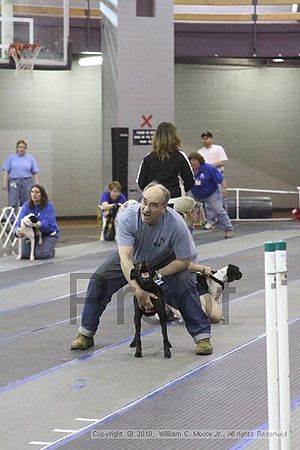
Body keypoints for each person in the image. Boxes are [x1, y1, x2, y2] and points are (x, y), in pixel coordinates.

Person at [71, 182, 212, 355]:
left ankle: (202, 336)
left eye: (153, 205)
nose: (146, 209)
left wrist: (158, 275)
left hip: (164, 260)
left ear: (164, 208)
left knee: (183, 283)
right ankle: (86, 333)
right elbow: (125, 258)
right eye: (144, 202)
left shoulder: (176, 225)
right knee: (99, 279)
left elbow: (183, 261)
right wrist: (137, 289)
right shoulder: (129, 217)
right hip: (133, 258)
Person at [136, 122, 194, 199]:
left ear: (156, 137)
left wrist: (152, 193)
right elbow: (190, 181)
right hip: (175, 199)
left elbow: (141, 183)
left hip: (154, 200)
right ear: (174, 137)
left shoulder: (148, 158)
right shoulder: (180, 156)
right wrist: (180, 191)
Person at [188, 152, 233, 238]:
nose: (192, 163)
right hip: (195, 193)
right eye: (190, 161)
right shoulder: (188, 170)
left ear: (199, 161)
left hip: (211, 193)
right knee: (188, 211)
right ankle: (188, 231)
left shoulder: (209, 168)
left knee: (218, 210)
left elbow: (220, 179)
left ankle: (228, 228)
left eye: (194, 160)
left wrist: (224, 189)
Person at [15, 184, 59, 259]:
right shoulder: (26, 205)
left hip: (48, 234)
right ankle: (37, 247)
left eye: (37, 192)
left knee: (41, 255)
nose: (34, 194)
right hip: (32, 234)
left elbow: (47, 225)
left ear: (42, 194)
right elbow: (20, 220)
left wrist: (37, 224)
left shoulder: (49, 206)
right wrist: (17, 231)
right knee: (25, 254)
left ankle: (50, 251)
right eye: (32, 192)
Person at [198, 131, 228, 218]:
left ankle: (224, 218)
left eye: (207, 138)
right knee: (209, 200)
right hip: (207, 179)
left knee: (222, 198)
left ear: (211, 139)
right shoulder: (200, 152)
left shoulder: (218, 149)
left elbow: (222, 162)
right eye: (203, 139)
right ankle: (211, 220)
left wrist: (209, 166)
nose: (205, 141)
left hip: (218, 176)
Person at [1, 140, 39, 210]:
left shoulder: (30, 158)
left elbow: (35, 172)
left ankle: (24, 220)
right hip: (13, 182)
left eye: (24, 147)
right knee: (12, 203)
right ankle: (12, 220)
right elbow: (6, 171)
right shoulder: (11, 157)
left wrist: (37, 185)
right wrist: (4, 183)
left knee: (26, 203)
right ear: (17, 148)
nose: (22, 149)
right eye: (20, 147)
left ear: (26, 149)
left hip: (27, 182)